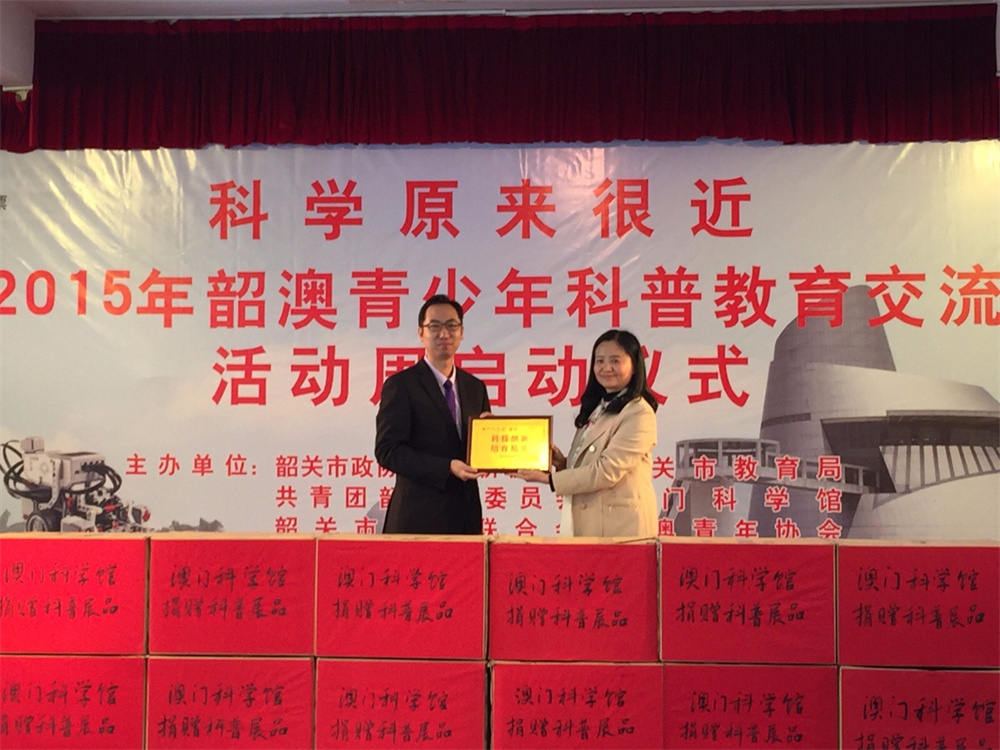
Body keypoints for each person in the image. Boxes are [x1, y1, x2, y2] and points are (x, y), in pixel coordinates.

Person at [514, 329, 658, 537]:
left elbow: (606, 471)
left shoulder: (638, 412)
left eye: (615, 361)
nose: (606, 368)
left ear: (634, 365)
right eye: (599, 361)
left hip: (621, 529)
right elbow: (589, 464)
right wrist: (562, 463)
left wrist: (550, 480)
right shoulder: (598, 407)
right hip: (590, 522)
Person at [375, 295, 491, 534]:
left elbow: (480, 449)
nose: (444, 333)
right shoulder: (401, 385)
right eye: (434, 326)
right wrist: (446, 467)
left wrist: (491, 443)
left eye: (451, 325)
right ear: (421, 333)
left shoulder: (475, 387)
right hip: (416, 519)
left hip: (465, 518)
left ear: (461, 332)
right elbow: (388, 451)